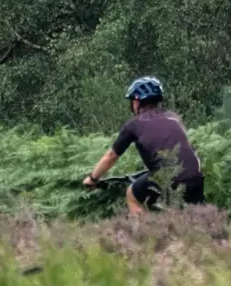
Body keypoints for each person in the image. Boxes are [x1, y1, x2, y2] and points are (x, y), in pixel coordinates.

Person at [82, 76, 204, 213]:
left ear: (136, 102)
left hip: (168, 176)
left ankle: (143, 233)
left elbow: (111, 156)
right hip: (195, 175)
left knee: (132, 195)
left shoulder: (133, 125)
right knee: (195, 217)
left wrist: (93, 178)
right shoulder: (174, 118)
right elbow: (190, 151)